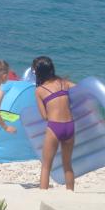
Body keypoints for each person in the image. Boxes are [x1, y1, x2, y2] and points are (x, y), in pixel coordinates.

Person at [33, 56, 76, 190]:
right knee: (67, 164)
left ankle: (43, 195)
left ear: (38, 72)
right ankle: (70, 193)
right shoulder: (65, 83)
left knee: (46, 166)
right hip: (70, 126)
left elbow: (44, 116)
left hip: (55, 127)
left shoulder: (39, 90)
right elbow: (81, 90)